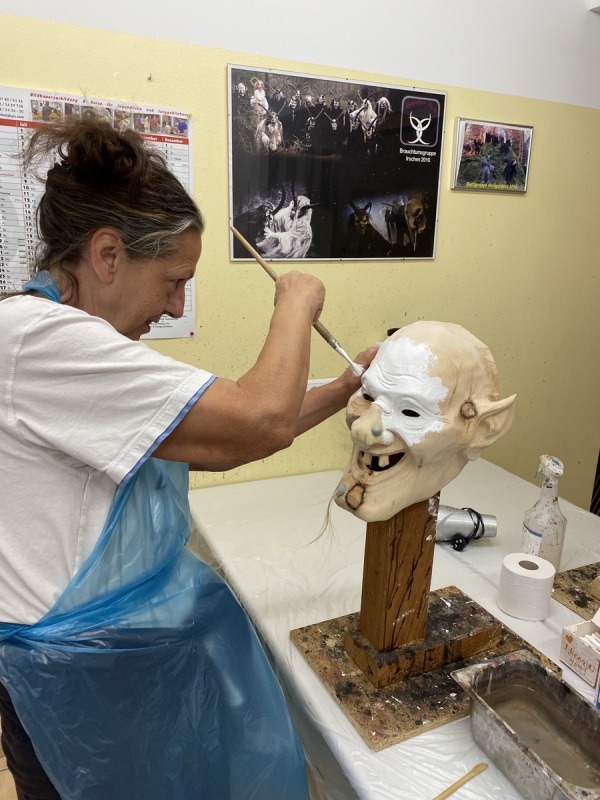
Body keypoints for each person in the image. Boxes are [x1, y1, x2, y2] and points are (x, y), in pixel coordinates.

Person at [0, 118, 375, 800]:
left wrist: (346, 387)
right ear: (108, 254)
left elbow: (215, 437)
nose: (176, 307)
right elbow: (256, 421)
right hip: (73, 682)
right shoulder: (39, 340)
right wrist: (295, 304)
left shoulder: (63, 339)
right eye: (173, 280)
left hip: (110, 660)